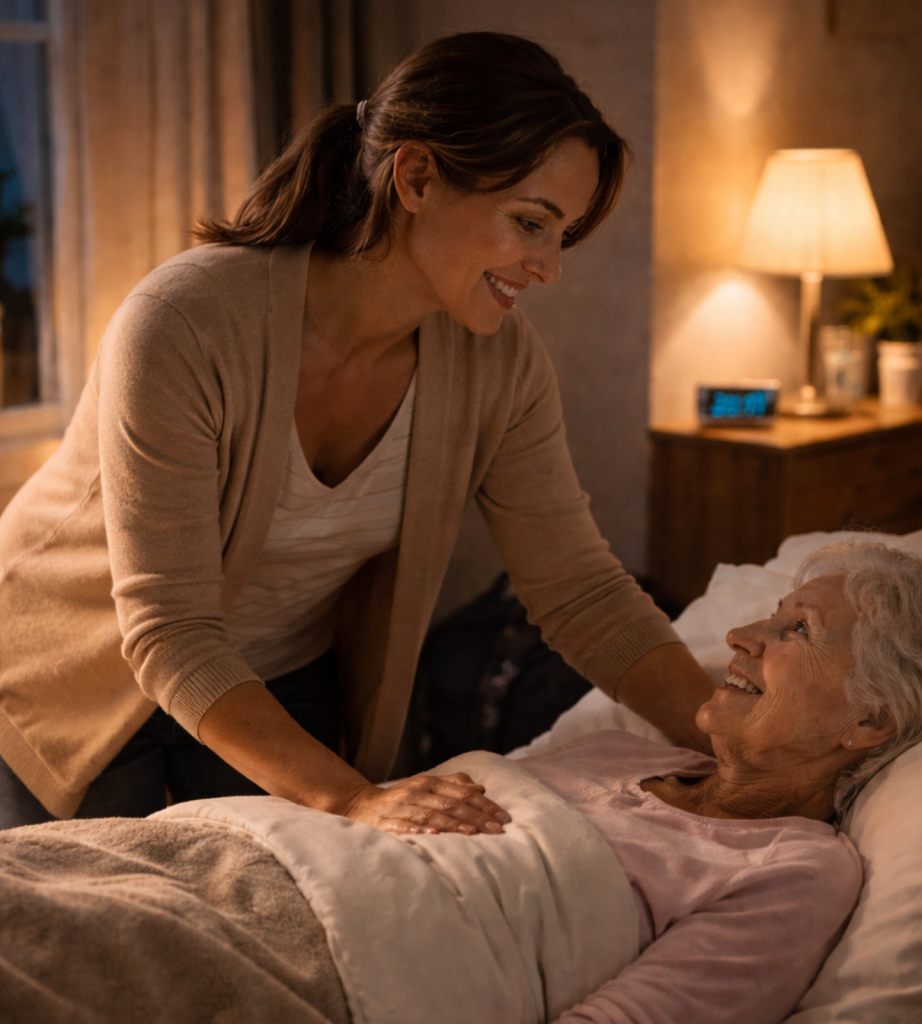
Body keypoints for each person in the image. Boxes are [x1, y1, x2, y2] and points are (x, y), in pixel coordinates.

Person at [0, 31, 715, 832]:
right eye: (529, 223)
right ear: (415, 177)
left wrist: (730, 735)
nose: (548, 267)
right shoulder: (183, 325)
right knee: (100, 934)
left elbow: (580, 591)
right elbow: (172, 632)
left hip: (272, 673)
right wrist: (354, 798)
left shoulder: (498, 363)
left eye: (561, 235)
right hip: (74, 675)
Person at [0, 541, 922, 1024]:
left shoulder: (799, 871)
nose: (744, 635)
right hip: (242, 855)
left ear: (870, 718)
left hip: (320, 961)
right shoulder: (624, 755)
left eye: (796, 632)